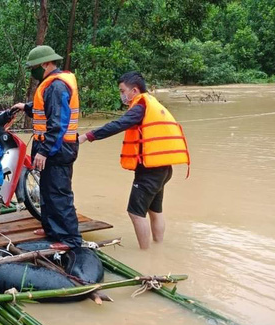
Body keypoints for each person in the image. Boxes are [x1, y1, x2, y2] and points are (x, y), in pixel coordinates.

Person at [78, 71, 190, 249]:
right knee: (155, 210)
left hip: (150, 171)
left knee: (135, 213)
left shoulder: (140, 107)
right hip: (162, 168)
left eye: (123, 91)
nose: (121, 95)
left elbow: (118, 124)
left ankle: (145, 254)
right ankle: (157, 248)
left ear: (134, 90)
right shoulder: (151, 103)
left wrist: (87, 136)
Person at [11, 45, 82, 251]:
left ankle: (70, 239)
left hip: (57, 148)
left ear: (45, 64)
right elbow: (44, 111)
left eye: (34, 67)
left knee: (58, 192)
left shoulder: (56, 86)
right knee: (46, 190)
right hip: (51, 146)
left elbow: (57, 123)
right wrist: (25, 107)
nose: (32, 72)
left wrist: (43, 151)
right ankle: (51, 229)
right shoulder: (50, 85)